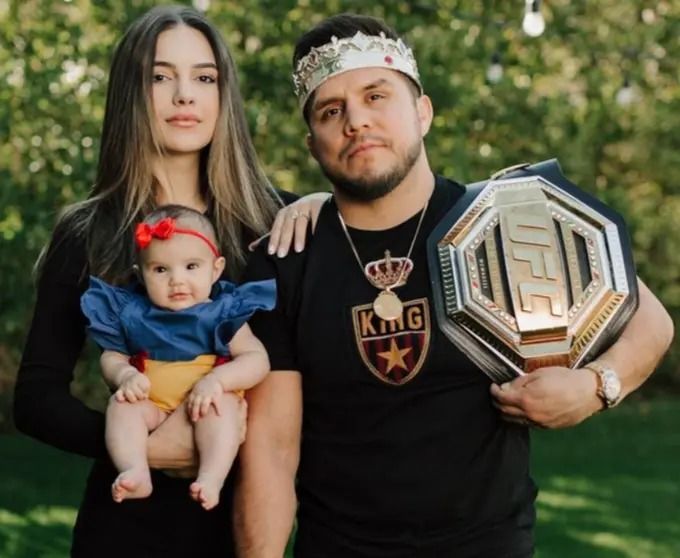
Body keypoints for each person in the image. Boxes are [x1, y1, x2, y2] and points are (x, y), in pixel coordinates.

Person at [234, 13, 675, 558]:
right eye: (332, 110)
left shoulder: (506, 219)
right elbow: (272, 451)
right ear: (312, 143)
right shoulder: (286, 260)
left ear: (423, 112)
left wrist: (595, 388)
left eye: (377, 96)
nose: (356, 122)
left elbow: (650, 320)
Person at [14, 5, 322, 557]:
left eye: (205, 78)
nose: (185, 95)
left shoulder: (282, 224)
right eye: (161, 77)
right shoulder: (88, 232)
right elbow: (35, 399)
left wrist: (327, 203)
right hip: (126, 529)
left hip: (253, 529)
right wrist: (145, 447)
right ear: (130, 93)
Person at [81, 205, 275, 510]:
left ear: (216, 268)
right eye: (160, 269)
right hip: (153, 407)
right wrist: (124, 375)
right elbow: (112, 357)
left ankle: (212, 476)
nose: (177, 280)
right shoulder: (133, 312)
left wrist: (218, 380)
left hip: (205, 403)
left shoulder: (221, 312)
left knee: (222, 407)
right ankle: (135, 469)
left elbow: (256, 359)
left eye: (191, 266)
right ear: (141, 276)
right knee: (121, 407)